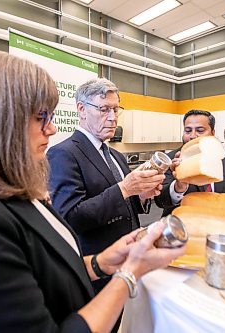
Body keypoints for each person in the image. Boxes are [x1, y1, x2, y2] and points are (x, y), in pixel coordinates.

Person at [0, 51, 184, 333]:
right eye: (40, 117)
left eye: (51, 116)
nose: (52, 128)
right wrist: (129, 273)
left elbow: (45, 268)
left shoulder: (13, 195)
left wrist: (99, 262)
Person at [47, 78, 165, 294]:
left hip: (129, 260)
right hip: (96, 269)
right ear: (81, 109)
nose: (112, 118)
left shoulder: (117, 156)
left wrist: (142, 195)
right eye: (103, 110)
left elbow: (126, 205)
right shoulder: (63, 154)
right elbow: (69, 218)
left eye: (115, 109)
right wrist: (125, 188)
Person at [155, 109, 225, 217]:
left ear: (212, 133)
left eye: (200, 130)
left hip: (219, 227)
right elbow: (160, 201)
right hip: (182, 229)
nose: (193, 135)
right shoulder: (170, 161)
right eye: (188, 131)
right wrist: (179, 187)